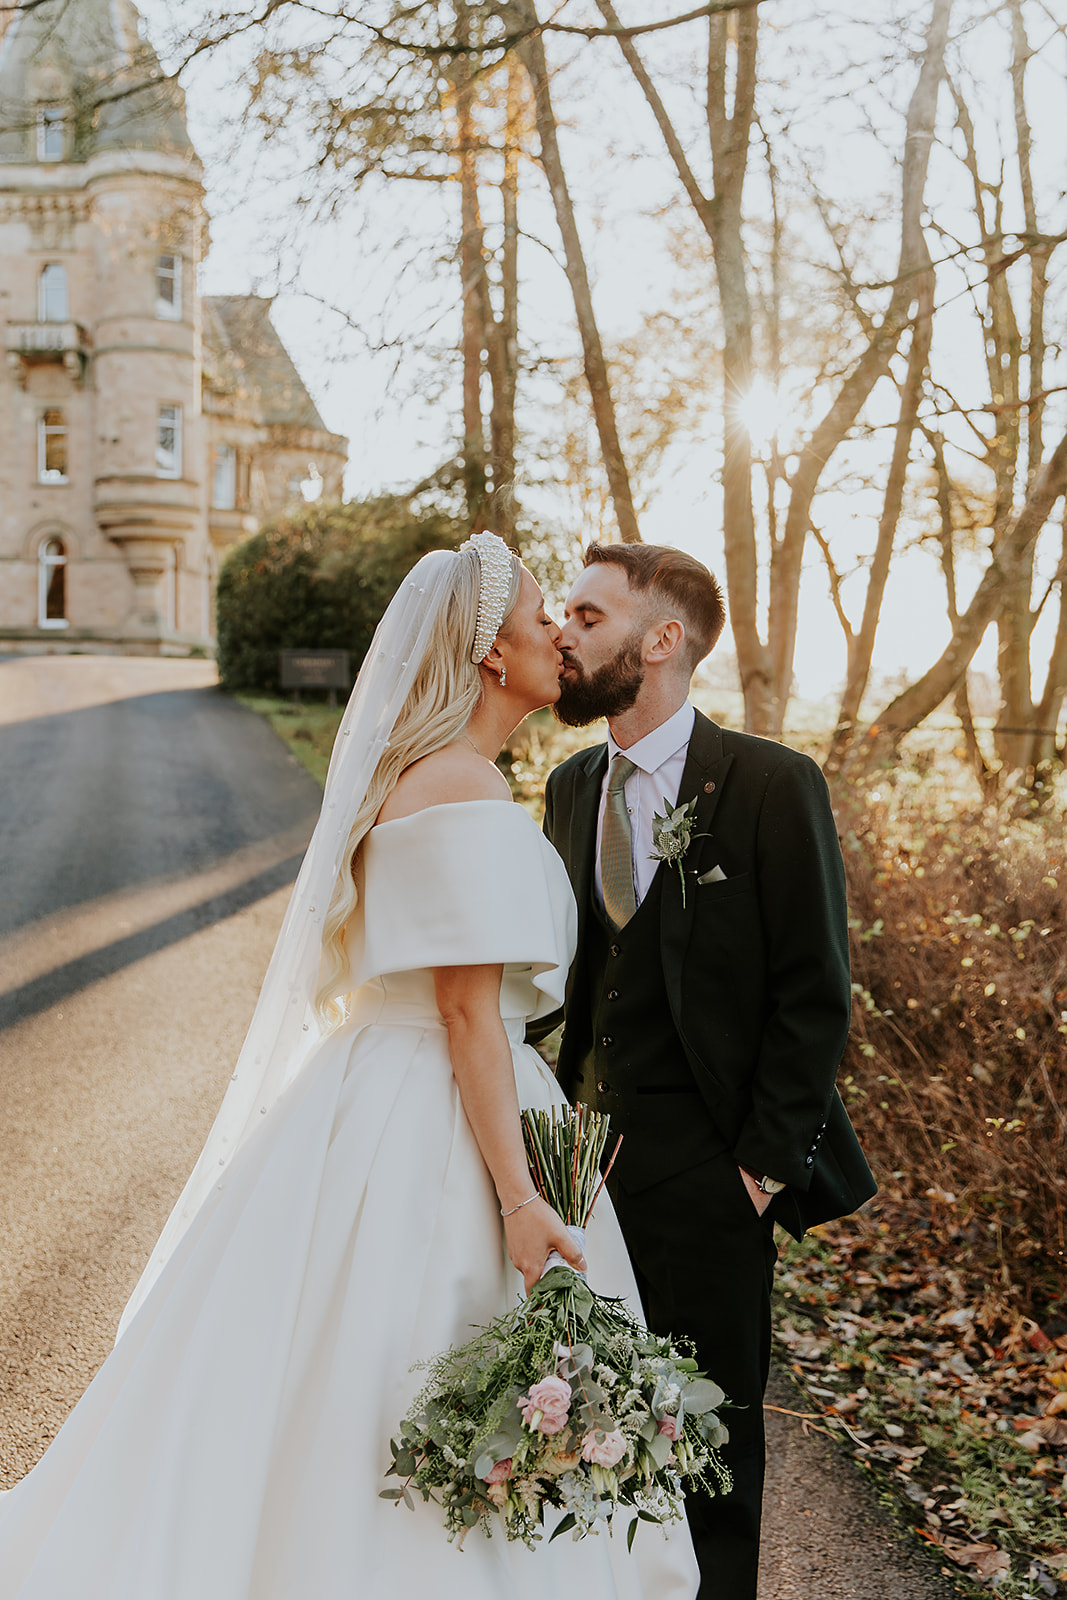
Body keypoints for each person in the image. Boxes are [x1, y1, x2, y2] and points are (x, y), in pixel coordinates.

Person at [0, 534, 698, 1600]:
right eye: (541, 616)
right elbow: (467, 1012)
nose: (559, 631)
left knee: (319, 1367)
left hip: (374, 1093)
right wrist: (517, 1199)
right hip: (449, 1112)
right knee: (407, 1357)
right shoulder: (459, 786)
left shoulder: (421, 779)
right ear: (485, 657)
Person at [534, 541, 877, 1600]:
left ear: (662, 639)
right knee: (577, 1428)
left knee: (709, 1443)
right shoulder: (568, 782)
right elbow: (570, 982)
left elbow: (812, 991)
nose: (563, 633)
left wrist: (759, 1172)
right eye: (566, 614)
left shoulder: (772, 784)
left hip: (714, 1172)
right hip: (582, 1168)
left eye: (589, 617)